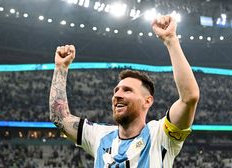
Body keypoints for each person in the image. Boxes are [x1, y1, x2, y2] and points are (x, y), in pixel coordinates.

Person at [49, 15, 200, 167]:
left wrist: (170, 40)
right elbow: (60, 118)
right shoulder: (100, 136)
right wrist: (60, 68)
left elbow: (189, 98)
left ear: (148, 101)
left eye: (127, 90)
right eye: (116, 90)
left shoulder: (160, 136)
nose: (117, 95)